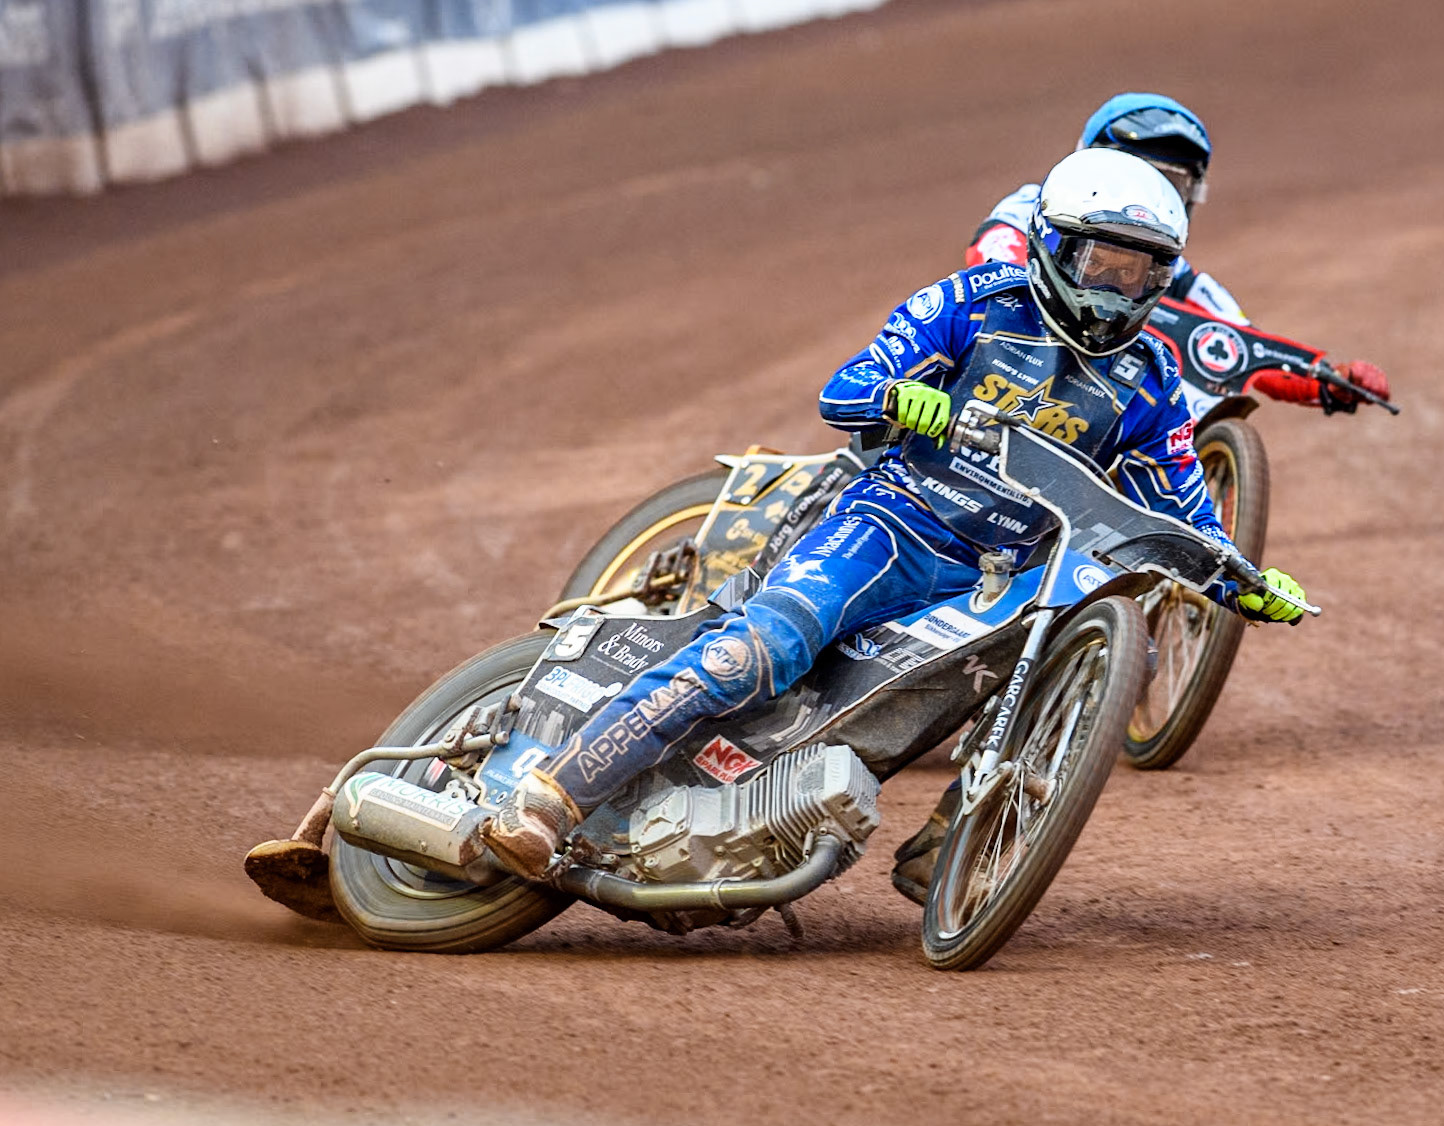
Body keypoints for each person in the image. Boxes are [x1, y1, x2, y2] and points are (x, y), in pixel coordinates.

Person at [481, 150, 1309, 888]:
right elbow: (841, 391)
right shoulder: (971, 301)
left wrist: (1241, 579)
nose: (1116, 290)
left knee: (1076, 635)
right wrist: (906, 399)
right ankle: (556, 796)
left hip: (1006, 570)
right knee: (760, 648)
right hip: (895, 522)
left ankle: (955, 835)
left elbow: (1182, 500)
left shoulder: (1154, 374)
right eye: (1102, 263)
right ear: (1055, 247)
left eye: (1141, 273)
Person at [966, 92, 1390, 417]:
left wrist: (1326, 379)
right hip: (1013, 361)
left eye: (1170, 183)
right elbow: (993, 254)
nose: (1146, 191)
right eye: (1132, 168)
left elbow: (1237, 340)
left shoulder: (1173, 272)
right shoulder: (1036, 206)